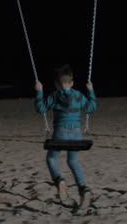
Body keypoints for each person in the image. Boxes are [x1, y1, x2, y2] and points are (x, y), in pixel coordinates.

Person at [34, 64, 96, 208]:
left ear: (56, 84)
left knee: (51, 158)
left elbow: (40, 108)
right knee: (73, 162)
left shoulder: (55, 96)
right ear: (72, 83)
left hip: (60, 132)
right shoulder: (78, 95)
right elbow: (91, 108)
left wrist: (39, 91)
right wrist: (91, 91)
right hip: (76, 133)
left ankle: (59, 180)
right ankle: (83, 188)